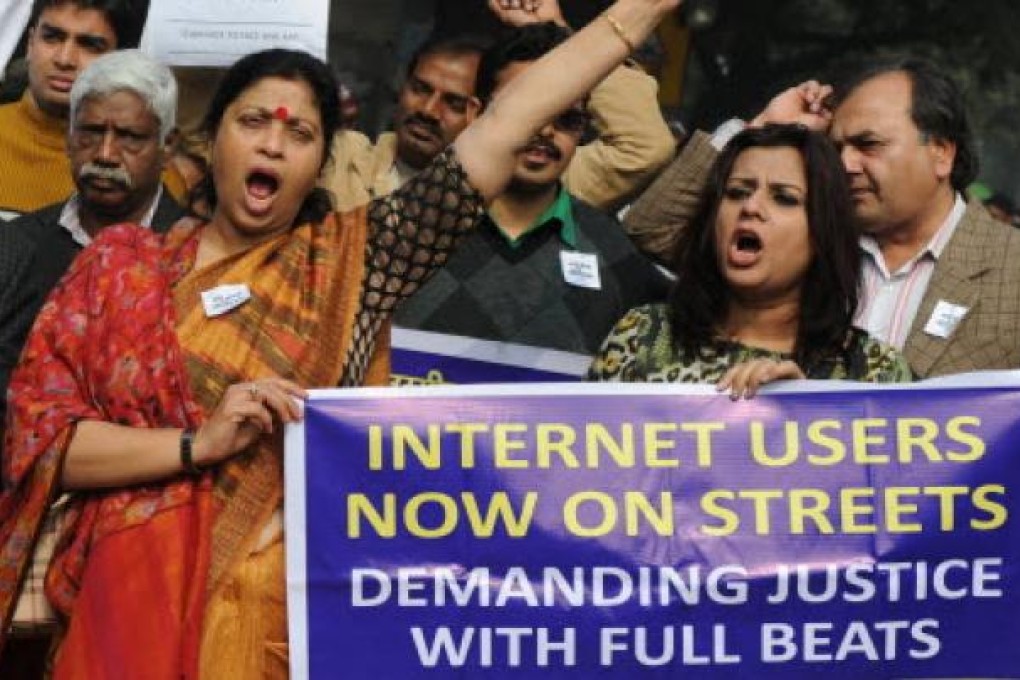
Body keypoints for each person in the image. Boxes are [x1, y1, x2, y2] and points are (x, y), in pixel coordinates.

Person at [0, 1, 680, 677]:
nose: (272, 143)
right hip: (111, 608)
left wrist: (634, 15)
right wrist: (194, 446)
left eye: (299, 133)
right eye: (254, 120)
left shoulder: (357, 265)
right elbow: (44, 442)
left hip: (265, 621)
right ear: (212, 142)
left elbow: (503, 126)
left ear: (323, 160)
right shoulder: (120, 267)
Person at [623, 57, 1020, 378]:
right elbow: (655, 229)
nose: (845, 163)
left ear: (942, 154)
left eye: (868, 145)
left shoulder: (1011, 269)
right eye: (837, 146)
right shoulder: (805, 232)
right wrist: (763, 130)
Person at [395, 22, 669, 354]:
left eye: (566, 118)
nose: (546, 131)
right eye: (527, 114)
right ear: (475, 113)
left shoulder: (616, 256)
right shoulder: (404, 230)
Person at [590, 124, 912, 396]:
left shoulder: (873, 371)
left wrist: (805, 411)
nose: (751, 207)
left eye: (784, 198)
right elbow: (581, 463)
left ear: (822, 233)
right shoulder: (643, 334)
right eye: (737, 192)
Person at [326, 0, 675, 214]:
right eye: (420, 89)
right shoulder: (345, 159)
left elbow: (644, 146)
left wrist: (556, 32)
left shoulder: (527, 184)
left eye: (454, 102)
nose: (429, 111)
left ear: (483, 112)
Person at [0, 49, 183, 436]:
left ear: (168, 147)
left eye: (130, 138)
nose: (105, 154)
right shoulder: (14, 246)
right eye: (91, 132)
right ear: (69, 136)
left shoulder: (193, 250)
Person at [0, 0, 165, 219]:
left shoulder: (151, 170)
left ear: (122, 60)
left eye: (90, 45)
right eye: (52, 38)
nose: (65, 59)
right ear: (30, 43)